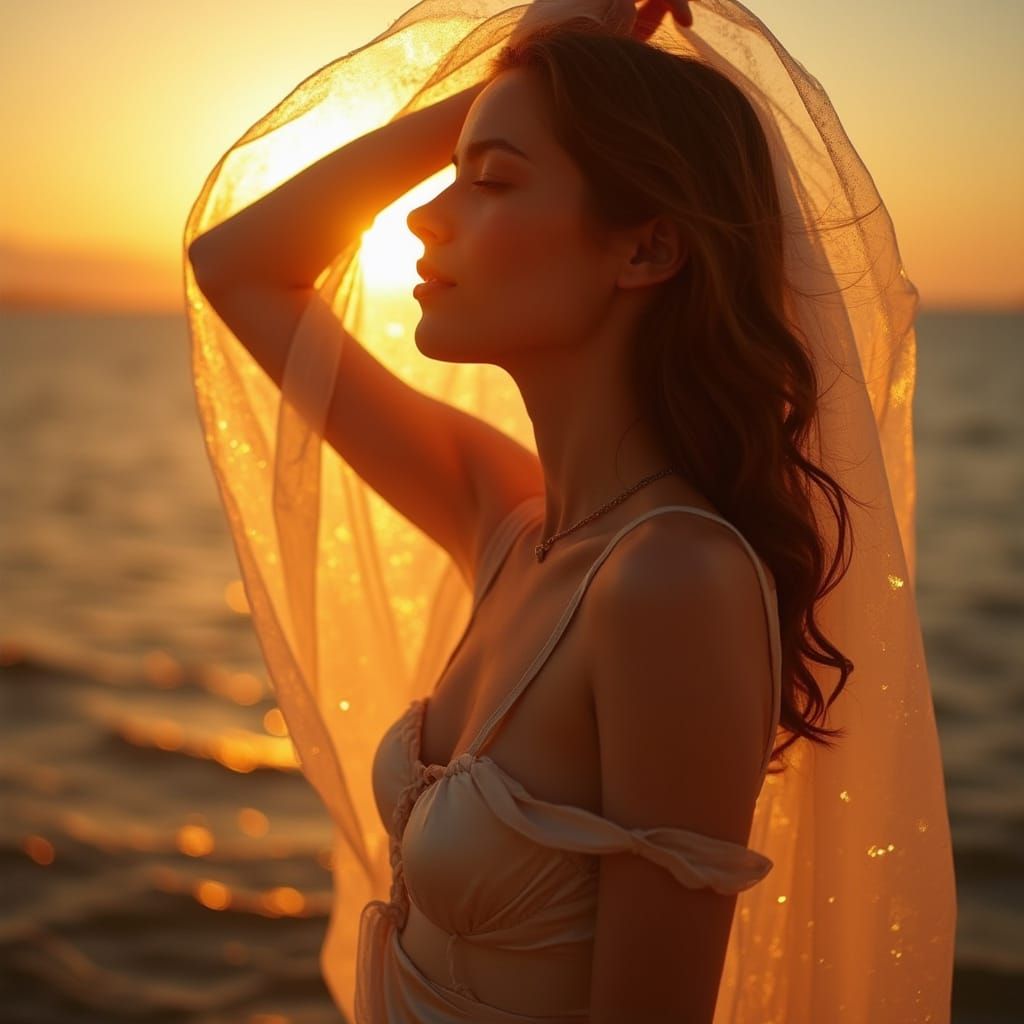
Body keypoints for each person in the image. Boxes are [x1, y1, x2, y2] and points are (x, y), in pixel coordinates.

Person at [183, 1, 956, 1021]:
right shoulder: (511, 523)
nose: (424, 214)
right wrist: (517, 74)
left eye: (492, 180)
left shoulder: (670, 581)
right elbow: (236, 265)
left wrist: (529, 75)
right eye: (455, 173)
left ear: (645, 251)